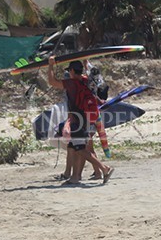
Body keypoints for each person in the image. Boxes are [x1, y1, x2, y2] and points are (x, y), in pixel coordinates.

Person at [47, 57, 114, 185]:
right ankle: (75, 177)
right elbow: (97, 76)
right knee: (73, 146)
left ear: (72, 70)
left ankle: (104, 168)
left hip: (78, 119)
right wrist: (86, 63)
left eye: (69, 71)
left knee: (80, 149)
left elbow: (52, 82)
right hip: (88, 118)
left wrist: (50, 66)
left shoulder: (72, 83)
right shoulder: (87, 81)